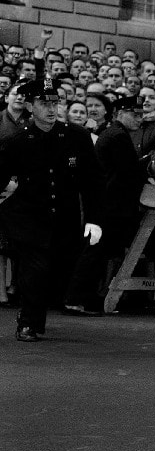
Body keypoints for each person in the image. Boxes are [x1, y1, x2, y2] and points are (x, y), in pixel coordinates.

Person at [0, 78, 104, 342]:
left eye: (54, 103)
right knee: (34, 270)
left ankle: (33, 316)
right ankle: (28, 323)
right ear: (31, 107)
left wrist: (94, 219)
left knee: (56, 271)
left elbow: (92, 181)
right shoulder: (18, 140)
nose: (50, 109)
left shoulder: (76, 137)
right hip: (28, 217)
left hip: (63, 218)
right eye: (43, 103)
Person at [64, 95, 148, 316]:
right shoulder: (118, 136)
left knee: (95, 253)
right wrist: (148, 163)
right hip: (110, 206)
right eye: (135, 114)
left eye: (141, 114)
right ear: (119, 114)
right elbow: (129, 173)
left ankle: (79, 298)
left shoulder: (112, 133)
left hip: (106, 204)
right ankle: (76, 299)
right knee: (94, 253)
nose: (140, 119)